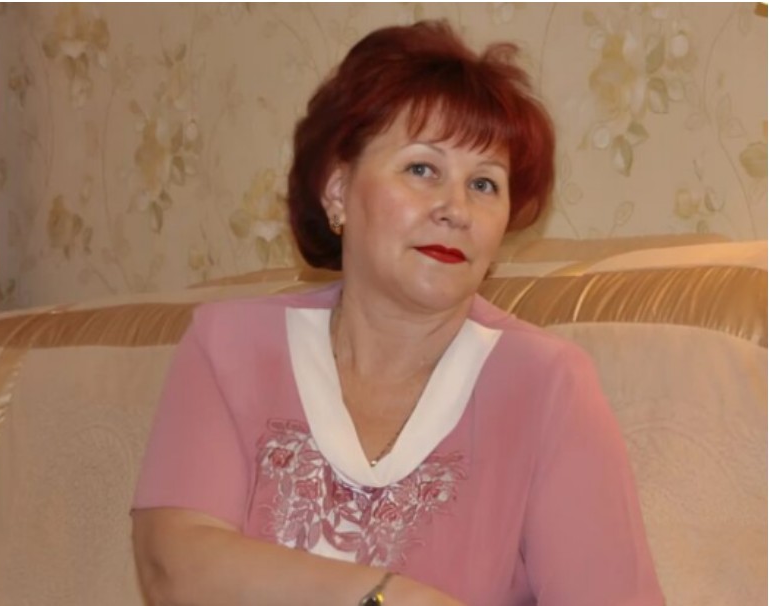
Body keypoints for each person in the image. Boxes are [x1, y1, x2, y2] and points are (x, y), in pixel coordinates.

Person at [131, 20, 664, 606]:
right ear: (338, 190)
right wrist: (393, 598)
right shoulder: (229, 347)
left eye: (485, 184)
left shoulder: (549, 385)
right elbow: (172, 570)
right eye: (422, 169)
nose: (456, 209)